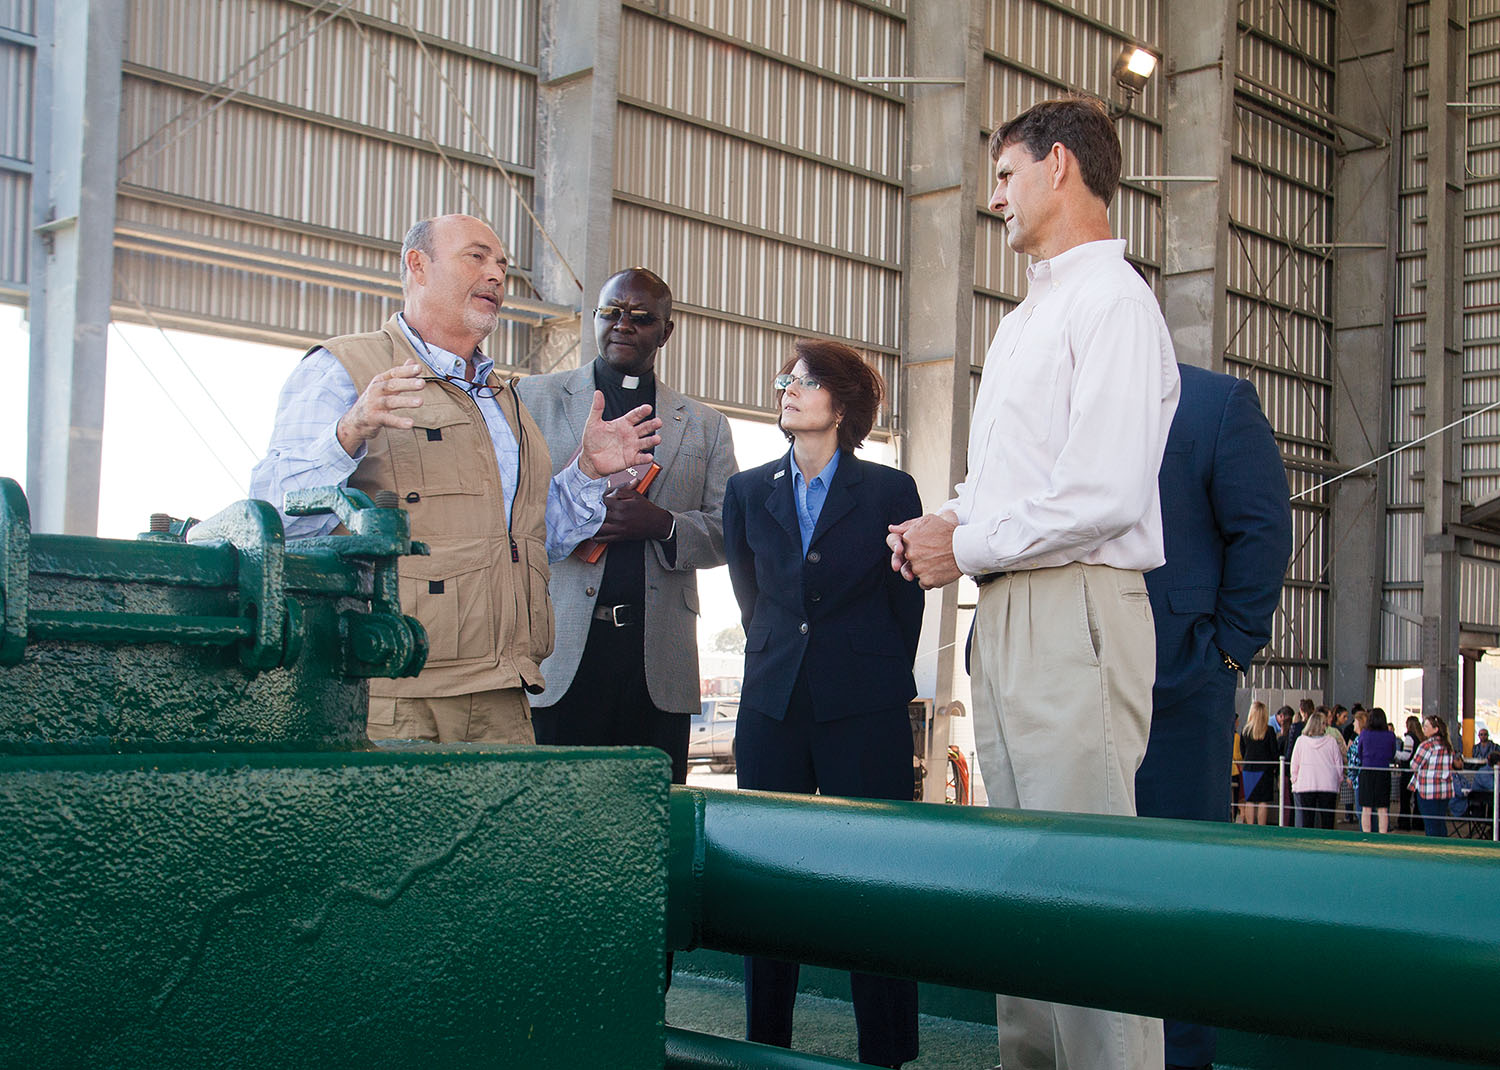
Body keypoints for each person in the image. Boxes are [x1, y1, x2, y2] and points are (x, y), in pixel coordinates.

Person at [887, 96, 1176, 1070]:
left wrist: (964, 543)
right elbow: (1009, 482)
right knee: (1023, 887)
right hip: (1009, 606)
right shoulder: (1025, 321)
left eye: (1006, 176)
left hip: (1076, 606)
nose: (996, 198)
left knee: (1085, 890)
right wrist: (950, 525)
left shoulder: (1116, 303)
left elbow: (1100, 492)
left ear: (1061, 168)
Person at [250, 214, 663, 743]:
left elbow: (536, 540)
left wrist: (585, 472)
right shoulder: (345, 370)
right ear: (417, 266)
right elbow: (277, 523)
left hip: (504, 698)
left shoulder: (504, 400)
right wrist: (349, 431)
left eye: (502, 265)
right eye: (476, 257)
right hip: (392, 695)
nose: (495, 274)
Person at [723, 340, 923, 1069]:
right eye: (785, 379)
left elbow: (907, 605)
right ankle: (765, 1043)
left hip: (863, 704)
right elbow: (754, 600)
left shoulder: (890, 490)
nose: (787, 389)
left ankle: (888, 1052)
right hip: (772, 703)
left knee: (877, 877)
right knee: (765, 877)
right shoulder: (747, 491)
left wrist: (869, 673)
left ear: (842, 405)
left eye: (804, 382)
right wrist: (784, 658)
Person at [517, 269, 737, 783]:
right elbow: (509, 509)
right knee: (549, 816)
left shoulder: (706, 425)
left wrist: (662, 525)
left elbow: (730, 531)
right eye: (610, 312)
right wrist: (576, 512)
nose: (622, 325)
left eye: (641, 318)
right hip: (560, 651)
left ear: (666, 331)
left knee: (653, 821)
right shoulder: (532, 400)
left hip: (655, 660)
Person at [1289, 710, 1343, 830]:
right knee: (1327, 820)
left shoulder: (1301, 741)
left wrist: (1295, 779)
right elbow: (1338, 763)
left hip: (1306, 784)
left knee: (1307, 820)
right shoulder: (1331, 741)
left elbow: (1294, 763)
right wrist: (1339, 779)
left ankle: (1308, 844)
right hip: (1328, 785)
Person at [1410, 715, 1458, 837]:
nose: (1423, 729)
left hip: (1428, 790)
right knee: (1440, 823)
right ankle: (1443, 849)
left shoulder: (1426, 746)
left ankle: (1432, 851)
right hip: (1444, 790)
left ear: (1435, 729)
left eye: (1426, 726)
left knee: (1430, 824)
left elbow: (1414, 765)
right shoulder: (1447, 746)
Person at [1239, 701, 1280, 826]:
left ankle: (1250, 826)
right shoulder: (1269, 731)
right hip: (1265, 770)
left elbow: (1242, 751)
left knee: (1250, 800)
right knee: (1263, 801)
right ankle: (1261, 828)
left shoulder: (1245, 731)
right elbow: (1274, 752)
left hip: (1249, 769)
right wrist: (1275, 768)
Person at [1357, 708, 1397, 834]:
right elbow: (1392, 753)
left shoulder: (1364, 733)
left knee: (1366, 808)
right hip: (1383, 772)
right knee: (1383, 808)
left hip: (1367, 771)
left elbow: (1359, 752)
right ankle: (1383, 835)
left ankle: (1366, 835)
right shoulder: (1390, 735)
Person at [1397, 714, 1424, 831]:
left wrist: (1395, 753)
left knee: (1405, 799)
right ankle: (1418, 823)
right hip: (1418, 773)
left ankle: (1404, 822)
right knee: (1417, 800)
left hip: (1408, 772)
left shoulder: (1409, 738)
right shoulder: (1421, 738)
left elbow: (1406, 755)